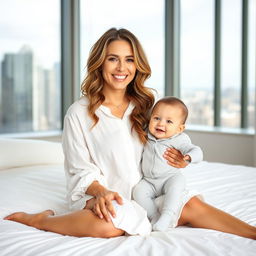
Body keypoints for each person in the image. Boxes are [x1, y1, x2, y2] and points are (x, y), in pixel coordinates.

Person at [4, 28, 256, 240]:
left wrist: (181, 159)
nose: (121, 67)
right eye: (113, 59)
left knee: (191, 205)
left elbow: (167, 141)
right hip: (103, 194)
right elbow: (79, 169)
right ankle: (41, 221)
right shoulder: (78, 113)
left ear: (137, 64)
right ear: (100, 63)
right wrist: (100, 193)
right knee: (109, 226)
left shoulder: (146, 106)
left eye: (129, 59)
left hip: (149, 191)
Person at [133, 96, 203, 231]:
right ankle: (154, 216)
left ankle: (167, 216)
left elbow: (197, 151)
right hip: (149, 180)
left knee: (175, 190)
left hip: (170, 178)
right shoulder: (147, 133)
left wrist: (188, 157)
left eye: (169, 121)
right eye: (156, 118)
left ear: (180, 128)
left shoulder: (179, 139)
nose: (160, 124)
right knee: (138, 192)